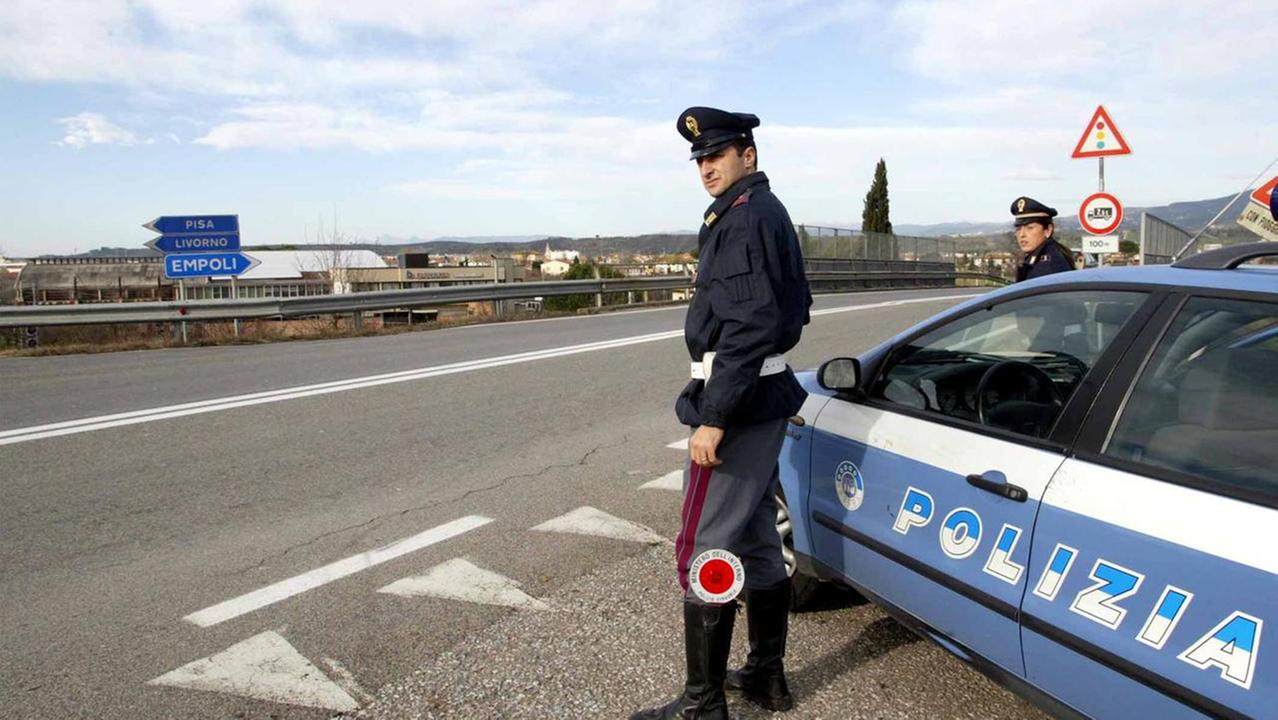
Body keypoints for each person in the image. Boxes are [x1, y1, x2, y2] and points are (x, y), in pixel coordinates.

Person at [632, 107, 811, 720]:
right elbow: (792, 309)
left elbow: (751, 322)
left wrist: (715, 416)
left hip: (737, 403)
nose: (707, 166)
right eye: (700, 159)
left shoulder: (745, 218)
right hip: (762, 397)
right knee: (759, 536)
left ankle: (702, 703)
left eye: (718, 154)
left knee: (703, 543)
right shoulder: (759, 213)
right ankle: (766, 675)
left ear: (748, 156)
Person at [1011, 196, 1075, 282]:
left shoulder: (1048, 266)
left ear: (1048, 230)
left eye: (1030, 228)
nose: (1022, 234)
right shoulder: (1045, 256)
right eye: (1018, 229)